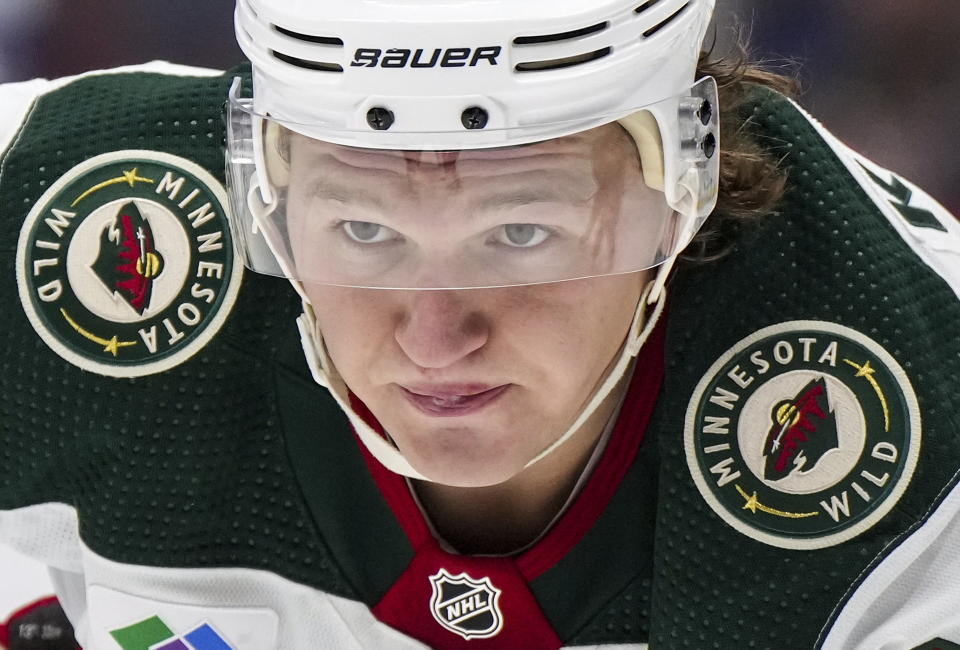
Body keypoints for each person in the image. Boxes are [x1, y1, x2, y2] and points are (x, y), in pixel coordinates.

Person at [1, 1, 959, 648]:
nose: (432, 337)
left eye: (521, 230)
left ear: (685, 187)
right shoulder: (44, 217)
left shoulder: (927, 410)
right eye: (364, 228)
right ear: (267, 183)